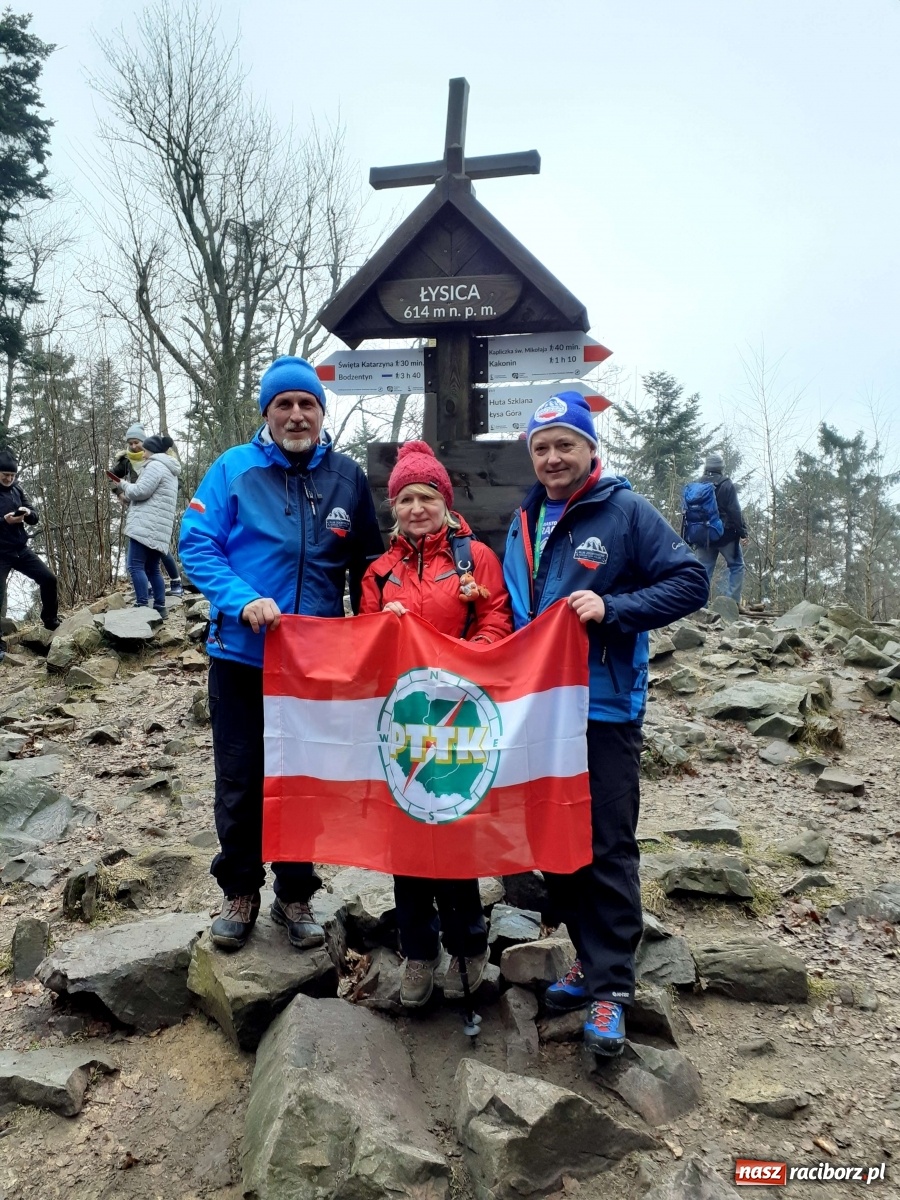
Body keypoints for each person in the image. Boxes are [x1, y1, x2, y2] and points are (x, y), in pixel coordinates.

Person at [503, 392, 709, 1057]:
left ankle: (611, 992)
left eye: (566, 444)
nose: (554, 457)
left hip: (604, 706)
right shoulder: (523, 520)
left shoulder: (625, 510)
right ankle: (590, 964)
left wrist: (614, 606)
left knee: (608, 844)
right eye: (542, 448)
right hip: (540, 708)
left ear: (591, 448)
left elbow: (690, 581)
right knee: (556, 842)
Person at [179, 356, 384, 952]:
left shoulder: (347, 477)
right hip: (241, 655)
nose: (297, 415)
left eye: (308, 404)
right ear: (266, 412)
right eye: (284, 405)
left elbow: (368, 566)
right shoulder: (232, 470)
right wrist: (242, 600)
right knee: (241, 780)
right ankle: (240, 889)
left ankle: (295, 894)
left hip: (317, 663)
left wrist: (380, 628)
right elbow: (196, 545)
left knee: (307, 779)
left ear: (322, 412)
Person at [359, 441, 513, 1008]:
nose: (416, 507)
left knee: (454, 832)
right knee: (408, 841)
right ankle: (418, 952)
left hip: (461, 715)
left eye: (426, 496)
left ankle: (470, 947)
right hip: (405, 721)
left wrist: (469, 658)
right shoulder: (378, 571)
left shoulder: (476, 560)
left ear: (445, 501)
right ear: (393, 507)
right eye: (405, 498)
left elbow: (498, 618)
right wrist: (384, 624)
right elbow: (365, 639)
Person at [110, 435, 181, 620]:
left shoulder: (155, 466)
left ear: (152, 451)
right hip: (159, 527)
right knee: (153, 568)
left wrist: (122, 483)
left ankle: (142, 605)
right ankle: (160, 607)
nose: (142, 454)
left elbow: (139, 492)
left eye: (145, 450)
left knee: (135, 566)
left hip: (145, 525)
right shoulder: (170, 469)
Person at [0, 448, 60, 633]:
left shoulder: (17, 489)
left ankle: (51, 621)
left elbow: (35, 516)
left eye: (12, 475)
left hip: (20, 549)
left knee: (49, 579)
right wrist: (4, 520)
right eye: (5, 475)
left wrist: (27, 514)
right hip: (1, 553)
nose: (9, 479)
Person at [683, 451, 748, 604]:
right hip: (726, 536)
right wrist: (743, 532)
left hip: (703, 535)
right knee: (737, 566)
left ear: (707, 467)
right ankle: (731, 604)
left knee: (704, 571)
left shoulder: (697, 485)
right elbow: (734, 511)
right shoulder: (726, 484)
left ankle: (700, 606)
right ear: (721, 468)